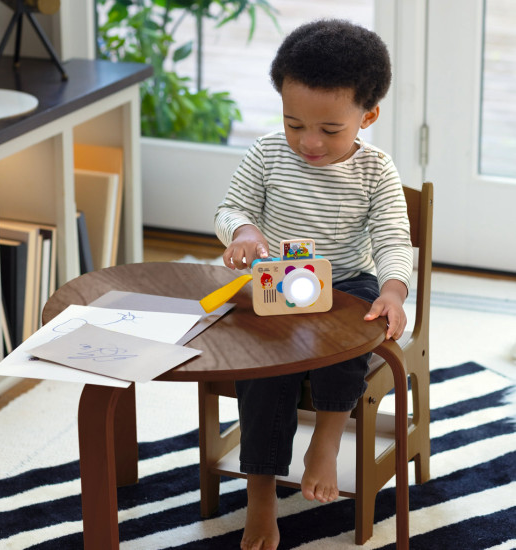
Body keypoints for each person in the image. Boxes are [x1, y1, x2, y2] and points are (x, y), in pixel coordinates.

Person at [214, 19, 413, 550]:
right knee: (262, 366)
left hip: (347, 281)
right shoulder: (266, 155)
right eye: (293, 123)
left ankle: (325, 438)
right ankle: (261, 493)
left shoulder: (375, 170)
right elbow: (231, 207)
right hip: (276, 282)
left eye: (330, 130)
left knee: (351, 336)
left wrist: (393, 289)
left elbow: (394, 237)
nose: (308, 142)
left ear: (367, 116)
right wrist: (244, 231)